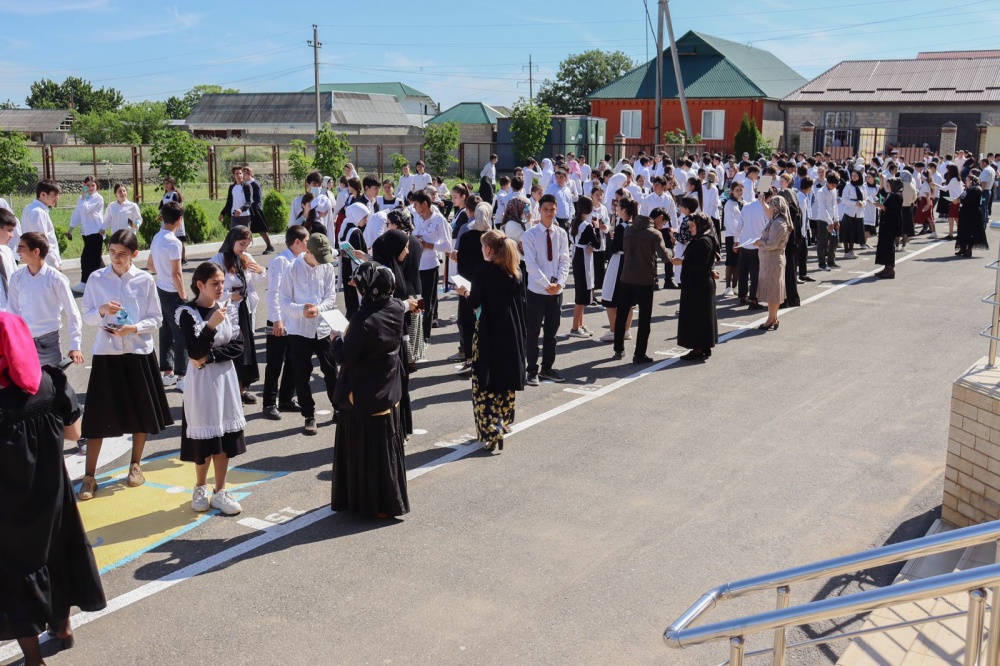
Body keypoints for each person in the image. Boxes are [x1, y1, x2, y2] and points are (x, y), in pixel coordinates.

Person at [0, 313, 105, 666]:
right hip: (53, 492)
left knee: (15, 572)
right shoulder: (49, 381)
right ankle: (62, 629)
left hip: (8, 505)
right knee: (58, 553)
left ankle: (33, 660)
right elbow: (74, 433)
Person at [77, 229, 173, 500]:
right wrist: (102, 310)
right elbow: (88, 316)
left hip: (138, 353)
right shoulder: (97, 278)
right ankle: (89, 476)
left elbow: (156, 319)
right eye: (112, 252)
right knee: (97, 416)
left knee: (140, 412)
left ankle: (135, 466)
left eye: (122, 253)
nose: (115, 258)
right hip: (107, 353)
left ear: (134, 254)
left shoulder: (144, 280)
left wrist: (133, 328)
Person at [330, 261, 410, 519]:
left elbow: (345, 357)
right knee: (387, 450)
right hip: (388, 389)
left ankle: (368, 503)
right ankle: (389, 502)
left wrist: (336, 339)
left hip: (363, 395)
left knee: (365, 451)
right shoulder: (395, 307)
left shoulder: (363, 320)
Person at [176, 262, 246, 516]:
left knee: (225, 436)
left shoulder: (229, 310)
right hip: (202, 384)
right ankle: (200, 486)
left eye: (221, 283)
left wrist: (211, 357)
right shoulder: (187, 313)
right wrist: (210, 326)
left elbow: (238, 346)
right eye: (214, 283)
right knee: (204, 437)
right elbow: (194, 351)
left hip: (224, 378)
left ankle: (221, 490)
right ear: (200, 285)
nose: (220, 288)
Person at [454, 229, 526, 452]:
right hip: (511, 330)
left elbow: (476, 301)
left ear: (488, 249)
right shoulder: (514, 270)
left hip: (488, 329)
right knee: (504, 379)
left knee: (484, 382)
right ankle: (502, 424)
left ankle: (490, 429)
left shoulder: (482, 271)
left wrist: (464, 293)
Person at [279, 233, 339, 435]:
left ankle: (338, 407)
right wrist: (301, 311)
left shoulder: (327, 266)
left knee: (331, 371)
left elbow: (331, 296)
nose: (323, 262)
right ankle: (309, 414)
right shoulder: (292, 268)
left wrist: (319, 309)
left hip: (322, 327)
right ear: (307, 251)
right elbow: (284, 301)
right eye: (319, 257)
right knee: (301, 374)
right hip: (298, 330)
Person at [371, 228, 421, 438]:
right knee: (392, 385)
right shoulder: (381, 274)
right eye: (405, 247)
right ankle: (394, 431)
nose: (408, 251)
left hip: (399, 336)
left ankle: (401, 429)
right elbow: (382, 307)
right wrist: (404, 305)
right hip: (386, 341)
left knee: (403, 383)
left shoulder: (394, 267)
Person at [9, 232, 84, 367]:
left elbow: (73, 313)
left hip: (49, 343)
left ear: (36, 251)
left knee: (54, 385)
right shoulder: (16, 278)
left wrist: (75, 345)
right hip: (24, 342)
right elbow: (13, 312)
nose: (17, 251)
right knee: (26, 386)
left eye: (22, 247)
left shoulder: (56, 278)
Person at [210, 226, 265, 404]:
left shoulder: (245, 258)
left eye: (247, 244)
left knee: (245, 349)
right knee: (230, 347)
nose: (244, 248)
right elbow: (210, 288)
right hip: (227, 309)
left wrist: (260, 270)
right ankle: (228, 392)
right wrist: (229, 296)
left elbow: (256, 281)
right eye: (242, 244)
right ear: (232, 240)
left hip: (244, 308)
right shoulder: (217, 261)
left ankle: (242, 389)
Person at [613, 210, 673, 363]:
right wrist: (672, 251)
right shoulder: (654, 234)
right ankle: (639, 354)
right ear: (659, 218)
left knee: (621, 315)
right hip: (644, 279)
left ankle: (618, 349)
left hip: (626, 276)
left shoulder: (629, 228)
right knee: (644, 319)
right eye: (663, 223)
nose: (662, 227)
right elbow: (665, 257)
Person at [522, 194, 570, 385]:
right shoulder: (530, 235)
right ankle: (531, 370)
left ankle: (547, 368)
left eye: (552, 209)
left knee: (551, 333)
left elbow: (565, 259)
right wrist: (545, 283)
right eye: (545, 209)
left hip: (555, 292)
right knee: (533, 332)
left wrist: (559, 282)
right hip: (537, 291)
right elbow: (531, 265)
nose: (549, 212)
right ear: (539, 211)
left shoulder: (561, 233)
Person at [261, 225, 308, 421]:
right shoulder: (280, 261)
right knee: (275, 362)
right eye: (306, 241)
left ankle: (286, 398)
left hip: (295, 320)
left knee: (293, 361)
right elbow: (274, 294)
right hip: (280, 321)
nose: (308, 245)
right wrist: (277, 319)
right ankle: (269, 403)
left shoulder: (300, 260)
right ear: (296, 242)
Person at [149, 201, 187, 389]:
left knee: (165, 331)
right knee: (181, 333)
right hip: (173, 292)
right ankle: (182, 376)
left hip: (160, 289)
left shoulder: (157, 237)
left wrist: (161, 273)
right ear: (179, 220)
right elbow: (177, 273)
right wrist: (183, 295)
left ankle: (167, 372)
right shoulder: (174, 242)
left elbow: (150, 265)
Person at [672, 212, 719, 361]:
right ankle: (702, 346)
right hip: (697, 284)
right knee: (700, 316)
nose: (691, 229)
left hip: (699, 286)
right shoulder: (700, 239)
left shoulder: (703, 241)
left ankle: (698, 348)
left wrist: (681, 262)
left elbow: (699, 263)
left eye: (693, 226)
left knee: (697, 316)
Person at [454, 202, 492, 372]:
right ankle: (485, 358)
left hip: (467, 285)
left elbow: (460, 265)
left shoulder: (466, 236)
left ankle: (469, 359)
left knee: (468, 322)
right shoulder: (494, 237)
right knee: (486, 323)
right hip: (489, 288)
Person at [412, 190, 452, 337]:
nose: (414, 207)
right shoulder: (417, 216)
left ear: (425, 204)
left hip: (429, 265)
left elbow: (448, 247)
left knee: (427, 301)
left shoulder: (439, 221)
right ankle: (416, 334)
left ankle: (425, 335)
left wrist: (429, 245)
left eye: (416, 204)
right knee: (416, 300)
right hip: (416, 264)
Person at [600, 192, 636, 342]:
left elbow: (614, 248)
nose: (617, 209)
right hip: (631, 263)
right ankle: (626, 330)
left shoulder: (622, 227)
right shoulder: (635, 225)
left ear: (623, 210)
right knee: (629, 300)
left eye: (619, 207)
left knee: (609, 296)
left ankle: (615, 330)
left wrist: (613, 237)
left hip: (619, 261)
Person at [753, 195, 792, 331]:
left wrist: (760, 242)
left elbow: (772, 244)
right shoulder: (775, 220)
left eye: (772, 205)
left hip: (773, 260)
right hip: (769, 260)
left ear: (777, 207)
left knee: (773, 289)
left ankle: (771, 318)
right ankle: (773, 317)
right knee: (771, 288)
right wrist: (762, 203)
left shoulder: (778, 222)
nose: (770, 207)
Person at [66, 176, 105, 293]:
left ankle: (85, 283)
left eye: (93, 185)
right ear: (84, 185)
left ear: (97, 186)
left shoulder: (98, 198)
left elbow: (86, 209)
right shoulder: (82, 199)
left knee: (87, 259)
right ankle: (104, 281)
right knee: (96, 259)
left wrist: (84, 197)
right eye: (88, 185)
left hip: (96, 232)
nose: (90, 188)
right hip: (86, 233)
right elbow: (77, 213)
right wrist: (70, 228)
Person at [569, 195, 599, 338]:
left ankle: (580, 324)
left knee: (581, 290)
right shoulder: (587, 226)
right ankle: (575, 327)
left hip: (577, 255)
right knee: (582, 294)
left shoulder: (574, 222)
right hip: (583, 258)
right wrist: (598, 229)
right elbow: (597, 243)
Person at [338, 202, 371, 317]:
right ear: (356, 215)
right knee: (357, 302)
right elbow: (358, 254)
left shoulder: (345, 225)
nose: (366, 220)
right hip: (355, 270)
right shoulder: (355, 232)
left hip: (347, 267)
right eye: (364, 217)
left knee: (350, 300)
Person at [20, 180, 62, 270]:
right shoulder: (38, 212)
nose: (57, 198)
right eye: (54, 195)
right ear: (43, 194)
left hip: (35, 260)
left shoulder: (29, 208)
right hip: (46, 263)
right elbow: (42, 241)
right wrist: (55, 263)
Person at [241, 166, 275, 254]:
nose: (243, 176)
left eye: (244, 174)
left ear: (249, 174)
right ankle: (244, 249)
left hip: (255, 210)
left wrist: (255, 207)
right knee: (246, 230)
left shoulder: (255, 184)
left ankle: (269, 246)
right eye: (242, 174)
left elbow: (258, 198)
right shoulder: (244, 185)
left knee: (262, 229)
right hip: (247, 210)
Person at [874, 178, 903, 279]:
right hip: (886, 223)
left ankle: (890, 269)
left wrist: (881, 206)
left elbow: (892, 211)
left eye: (888, 184)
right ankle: (886, 267)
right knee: (884, 245)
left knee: (889, 246)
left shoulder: (897, 196)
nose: (887, 186)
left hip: (891, 224)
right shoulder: (892, 194)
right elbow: (882, 191)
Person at [956, 176, 988, 258]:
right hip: (965, 212)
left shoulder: (976, 189)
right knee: (962, 230)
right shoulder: (968, 189)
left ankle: (968, 249)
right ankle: (963, 248)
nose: (966, 181)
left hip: (972, 213)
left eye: (967, 180)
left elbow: (972, 201)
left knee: (971, 231)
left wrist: (961, 200)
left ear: (972, 181)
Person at [722, 182, 743, 297]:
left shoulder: (742, 203)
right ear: (732, 191)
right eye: (737, 190)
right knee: (730, 262)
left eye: (741, 190)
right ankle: (728, 287)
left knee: (738, 262)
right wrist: (737, 237)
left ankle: (735, 286)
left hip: (741, 236)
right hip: (731, 236)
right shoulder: (729, 204)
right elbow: (732, 223)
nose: (739, 192)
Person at [159, 177, 186, 265]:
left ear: (172, 184)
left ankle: (183, 258)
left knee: (179, 238)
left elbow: (177, 207)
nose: (165, 185)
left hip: (174, 218)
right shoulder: (165, 194)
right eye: (165, 183)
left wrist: (175, 217)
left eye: (167, 183)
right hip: (167, 219)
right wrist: (160, 215)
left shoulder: (174, 195)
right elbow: (162, 206)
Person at [0, 210, 18, 312]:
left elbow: (14, 280)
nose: (12, 235)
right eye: (9, 230)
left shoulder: (7, 252)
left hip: (9, 312)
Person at [943, 164, 965, 241]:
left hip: (955, 200)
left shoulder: (954, 179)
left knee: (952, 217)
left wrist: (936, 185)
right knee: (956, 218)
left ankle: (951, 234)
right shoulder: (958, 179)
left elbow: (946, 188)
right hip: (957, 200)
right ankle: (959, 233)